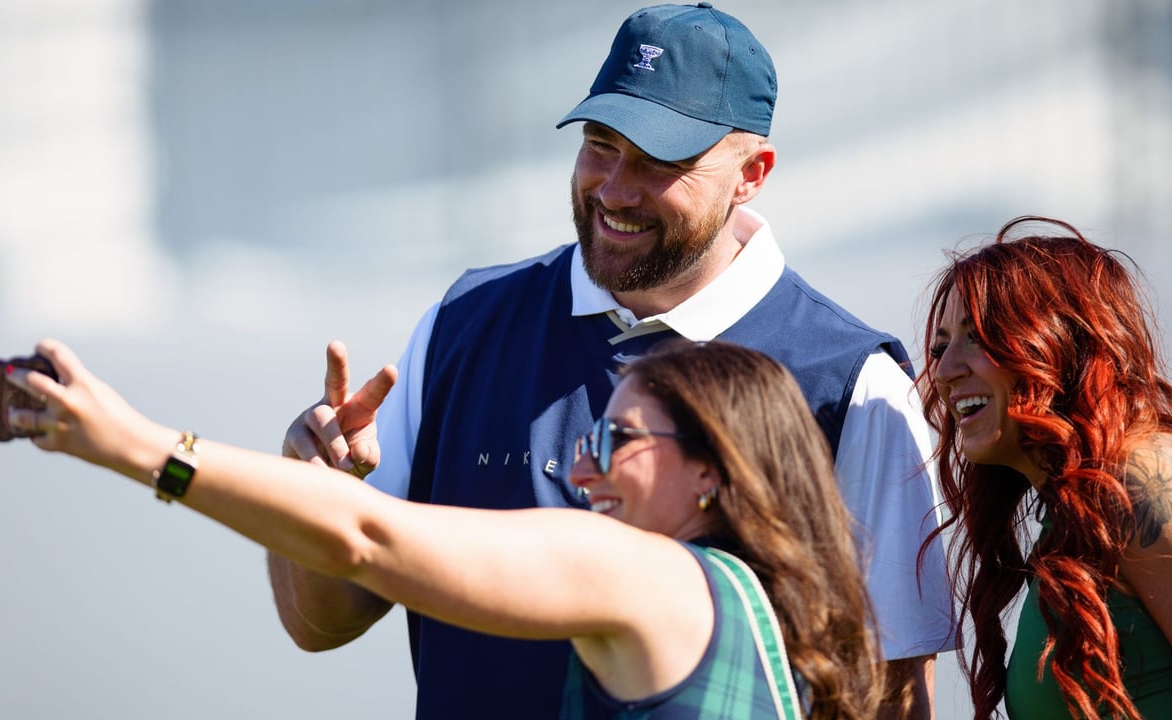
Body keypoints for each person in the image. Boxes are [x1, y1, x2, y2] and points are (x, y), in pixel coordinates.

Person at [276, 4, 954, 719]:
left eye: (663, 161)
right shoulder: (463, 324)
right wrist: (314, 494)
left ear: (752, 173)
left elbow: (891, 695)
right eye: (601, 143)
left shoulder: (852, 380)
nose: (615, 189)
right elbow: (322, 625)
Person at [3, 337, 886, 719]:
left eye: (617, 442)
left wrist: (140, 447)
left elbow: (368, 540)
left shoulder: (649, 575)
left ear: (712, 472)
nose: (579, 472)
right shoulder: (765, 611)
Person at [920, 215, 1172, 719]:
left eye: (980, 336)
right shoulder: (1071, 512)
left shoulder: (1144, 474)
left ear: (1066, 341)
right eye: (941, 345)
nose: (945, 372)